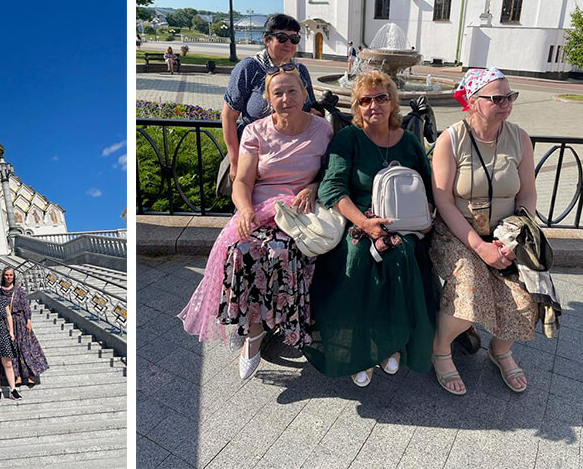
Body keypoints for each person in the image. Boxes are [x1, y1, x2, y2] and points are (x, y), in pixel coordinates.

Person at [179, 69, 333, 379]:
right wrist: (245, 209)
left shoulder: (323, 130)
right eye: (278, 93)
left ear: (305, 94)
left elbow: (330, 173)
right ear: (268, 99)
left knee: (284, 251)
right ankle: (252, 327)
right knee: (241, 248)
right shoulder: (255, 132)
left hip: (301, 212)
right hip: (261, 208)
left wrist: (314, 187)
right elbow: (243, 181)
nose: (286, 99)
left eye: (292, 91)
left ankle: (277, 327)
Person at [303, 70, 437, 387]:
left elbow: (429, 186)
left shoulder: (408, 141)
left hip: (404, 220)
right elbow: (332, 189)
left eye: (381, 98)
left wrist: (428, 215)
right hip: (359, 218)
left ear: (392, 103)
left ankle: (390, 343)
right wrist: (365, 223)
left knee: (402, 254)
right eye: (365, 100)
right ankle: (358, 351)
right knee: (357, 257)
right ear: (358, 106)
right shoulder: (350, 138)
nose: (373, 105)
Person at [429, 68, 536, 395]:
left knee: (532, 290)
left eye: (510, 97)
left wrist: (514, 237)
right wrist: (480, 246)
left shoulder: (520, 138)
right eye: (497, 98)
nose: (506, 104)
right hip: (458, 232)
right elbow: (444, 201)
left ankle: (500, 350)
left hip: (508, 231)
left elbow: (528, 194)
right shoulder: (452, 139)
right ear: (473, 102)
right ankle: (441, 350)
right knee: (471, 290)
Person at [221, 13, 319, 187]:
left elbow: (308, 108)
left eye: (294, 38)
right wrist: (235, 161)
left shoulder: (300, 71)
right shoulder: (249, 68)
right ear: (267, 39)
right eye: (282, 37)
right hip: (253, 158)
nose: (288, 43)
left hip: (293, 157)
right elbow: (229, 115)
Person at [0, 267, 48, 387]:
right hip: (7, 323)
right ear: (3, 276)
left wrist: (29, 321)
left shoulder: (19, 290)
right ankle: (17, 376)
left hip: (20, 321)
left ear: (14, 276)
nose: (9, 277)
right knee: (12, 350)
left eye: (11, 275)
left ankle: (30, 375)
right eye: (6, 275)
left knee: (25, 348)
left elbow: (26, 306)